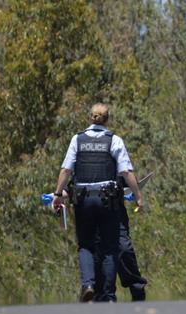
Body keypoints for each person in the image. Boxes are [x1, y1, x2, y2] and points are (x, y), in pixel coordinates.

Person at [53, 103, 143, 302]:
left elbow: (66, 170)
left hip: (83, 201)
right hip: (107, 201)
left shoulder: (77, 139)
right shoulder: (114, 140)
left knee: (86, 245)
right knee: (111, 247)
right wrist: (138, 196)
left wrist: (58, 193)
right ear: (107, 120)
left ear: (90, 118)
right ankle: (109, 296)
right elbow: (126, 172)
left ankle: (88, 284)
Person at [93, 176, 148, 301]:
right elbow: (74, 182)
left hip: (116, 212)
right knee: (99, 256)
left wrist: (132, 191)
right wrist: (57, 194)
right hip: (93, 212)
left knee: (124, 249)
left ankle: (138, 291)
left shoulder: (116, 158)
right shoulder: (83, 157)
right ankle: (105, 297)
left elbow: (126, 176)